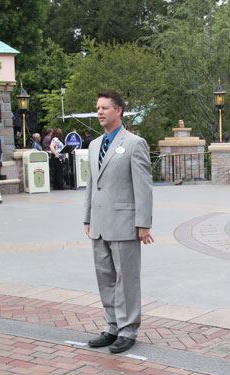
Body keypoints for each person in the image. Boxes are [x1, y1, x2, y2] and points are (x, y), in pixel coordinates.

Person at [84, 91, 153, 354]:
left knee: (127, 280)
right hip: (99, 224)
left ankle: (128, 330)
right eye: (97, 108)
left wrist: (143, 223)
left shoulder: (135, 143)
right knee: (105, 278)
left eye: (105, 108)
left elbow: (144, 187)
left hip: (125, 223)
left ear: (119, 110)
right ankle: (111, 326)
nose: (100, 112)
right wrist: (87, 216)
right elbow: (92, 184)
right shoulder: (93, 145)